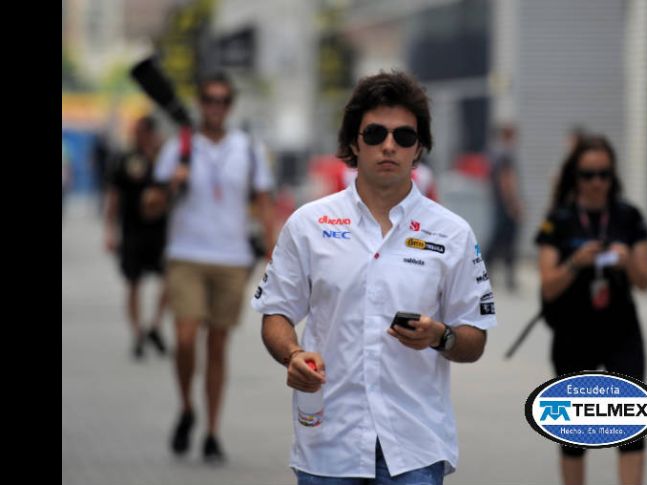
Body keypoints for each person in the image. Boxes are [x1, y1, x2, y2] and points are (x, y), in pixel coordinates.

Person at [253, 70, 496, 484]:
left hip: (415, 446)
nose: (389, 145)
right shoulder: (308, 224)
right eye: (375, 133)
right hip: (329, 444)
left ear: (418, 148)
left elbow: (474, 338)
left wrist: (439, 336)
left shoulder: (453, 234)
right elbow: (275, 312)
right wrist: (292, 355)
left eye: (404, 136)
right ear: (354, 142)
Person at [145, 71, 277, 463]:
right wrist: (172, 184)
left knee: (217, 345)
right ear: (200, 103)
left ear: (230, 106)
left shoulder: (248, 148)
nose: (215, 107)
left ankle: (213, 431)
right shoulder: (180, 146)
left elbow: (264, 202)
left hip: (232, 260)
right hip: (186, 255)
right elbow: (150, 206)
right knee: (185, 338)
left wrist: (274, 251)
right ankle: (187, 406)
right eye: (209, 100)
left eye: (222, 100)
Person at [534, 135, 647, 485]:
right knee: (574, 433)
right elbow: (548, 285)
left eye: (604, 174)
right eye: (588, 175)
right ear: (575, 177)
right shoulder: (558, 221)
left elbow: (645, 281)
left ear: (613, 176)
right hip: (573, 333)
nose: (597, 182)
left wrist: (628, 261)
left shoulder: (628, 216)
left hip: (621, 330)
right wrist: (576, 262)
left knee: (632, 424)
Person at [104, 115, 169, 359]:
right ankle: (137, 332)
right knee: (133, 282)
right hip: (132, 230)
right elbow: (114, 196)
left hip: (161, 231)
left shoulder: (165, 158)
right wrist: (110, 231)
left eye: (142, 131)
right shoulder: (125, 159)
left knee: (170, 279)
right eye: (136, 131)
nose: (138, 136)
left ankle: (155, 325)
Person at [483, 123, 523, 291]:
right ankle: (501, 275)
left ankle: (493, 272)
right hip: (505, 205)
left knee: (501, 238)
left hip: (499, 203)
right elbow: (506, 181)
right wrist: (513, 204)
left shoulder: (495, 154)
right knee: (506, 239)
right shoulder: (505, 155)